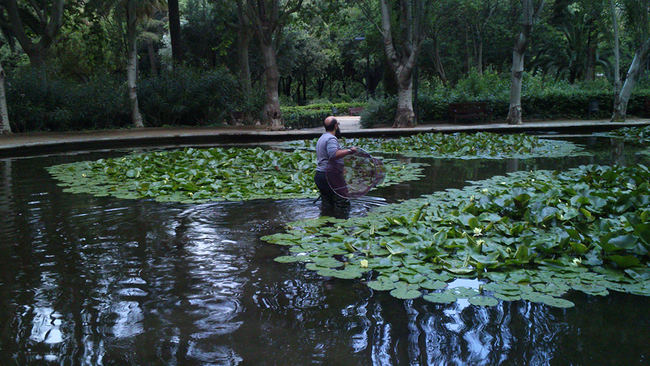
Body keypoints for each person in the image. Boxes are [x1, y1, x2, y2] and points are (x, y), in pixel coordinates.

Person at [314, 116, 357, 214]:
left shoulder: (322, 137)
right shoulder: (331, 138)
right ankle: (341, 225)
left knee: (327, 204)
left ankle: (327, 224)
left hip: (320, 175)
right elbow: (333, 154)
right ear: (336, 126)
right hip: (330, 177)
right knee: (343, 203)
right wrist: (350, 151)